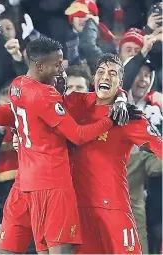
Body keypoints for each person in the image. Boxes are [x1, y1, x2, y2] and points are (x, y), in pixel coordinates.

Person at [0, 37, 129, 254]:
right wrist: (110, 120)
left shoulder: (18, 86)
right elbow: (77, 135)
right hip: (53, 184)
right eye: (57, 64)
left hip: (26, 184)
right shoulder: (46, 96)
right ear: (39, 66)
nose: (61, 68)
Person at [63, 53, 162, 254]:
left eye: (112, 74)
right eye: (101, 72)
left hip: (114, 207)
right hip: (79, 209)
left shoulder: (130, 117)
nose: (106, 77)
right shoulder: (76, 105)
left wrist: (121, 98)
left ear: (120, 81)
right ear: (93, 79)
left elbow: (159, 147)